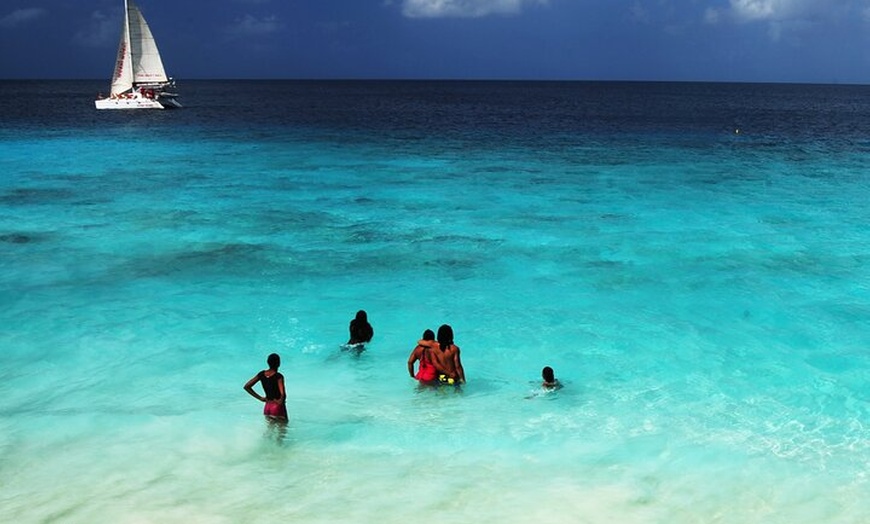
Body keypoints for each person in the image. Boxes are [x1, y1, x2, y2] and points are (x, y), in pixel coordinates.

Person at [243, 353, 288, 420]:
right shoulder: (278, 376)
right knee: (282, 429)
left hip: (267, 407)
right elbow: (283, 394)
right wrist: (280, 402)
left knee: (270, 429)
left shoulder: (261, 374)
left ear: (268, 362)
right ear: (279, 363)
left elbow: (247, 386)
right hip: (277, 406)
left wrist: (260, 398)